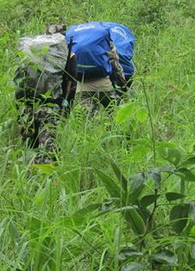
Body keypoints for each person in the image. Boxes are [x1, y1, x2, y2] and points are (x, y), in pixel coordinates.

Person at [14, 24, 76, 164]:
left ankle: (26, 176)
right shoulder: (66, 52)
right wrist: (66, 108)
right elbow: (72, 80)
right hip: (50, 105)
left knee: (27, 144)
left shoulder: (31, 49)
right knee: (47, 145)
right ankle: (45, 178)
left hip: (27, 104)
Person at [66, 22, 128, 114]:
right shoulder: (103, 38)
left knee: (88, 119)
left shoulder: (71, 39)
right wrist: (123, 86)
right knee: (116, 114)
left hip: (82, 87)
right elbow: (115, 65)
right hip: (104, 85)